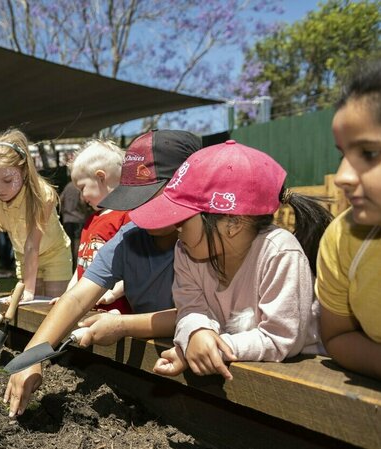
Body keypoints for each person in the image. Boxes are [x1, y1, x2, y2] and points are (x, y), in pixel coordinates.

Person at [5, 130, 201, 417]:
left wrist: (123, 326)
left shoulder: (207, 241)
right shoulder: (129, 237)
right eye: (134, 197)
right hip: (154, 370)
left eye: (148, 196)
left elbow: (198, 314)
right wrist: (32, 356)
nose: (138, 209)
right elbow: (77, 298)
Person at [129, 141, 332, 380]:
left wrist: (211, 348)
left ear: (233, 223)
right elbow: (190, 308)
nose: (176, 227)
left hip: (300, 382)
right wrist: (196, 332)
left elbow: (281, 339)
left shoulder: (280, 253)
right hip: (238, 374)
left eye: (183, 219)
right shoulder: (187, 251)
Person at [317, 59, 381, 380]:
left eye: (369, 154)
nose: (342, 176)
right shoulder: (342, 237)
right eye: (342, 154)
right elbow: (337, 336)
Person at [0, 128, 72, 325]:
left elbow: (33, 244)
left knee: (54, 313)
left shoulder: (42, 195)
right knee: (29, 317)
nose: (0, 189)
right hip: (24, 257)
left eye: (8, 180)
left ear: (24, 171)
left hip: (55, 254)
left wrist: (29, 290)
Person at [51, 139, 132, 314]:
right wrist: (68, 297)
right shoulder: (92, 220)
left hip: (115, 309)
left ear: (101, 177)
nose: (81, 197)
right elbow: (81, 267)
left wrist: (113, 294)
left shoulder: (128, 217)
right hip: (87, 306)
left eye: (82, 188)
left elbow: (135, 269)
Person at [59, 180, 87, 269]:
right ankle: (77, 267)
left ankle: (69, 266)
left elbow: (60, 200)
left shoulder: (67, 187)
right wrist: (85, 211)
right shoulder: (79, 187)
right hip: (79, 219)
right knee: (77, 245)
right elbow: (82, 201)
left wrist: (64, 212)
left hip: (67, 220)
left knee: (68, 245)